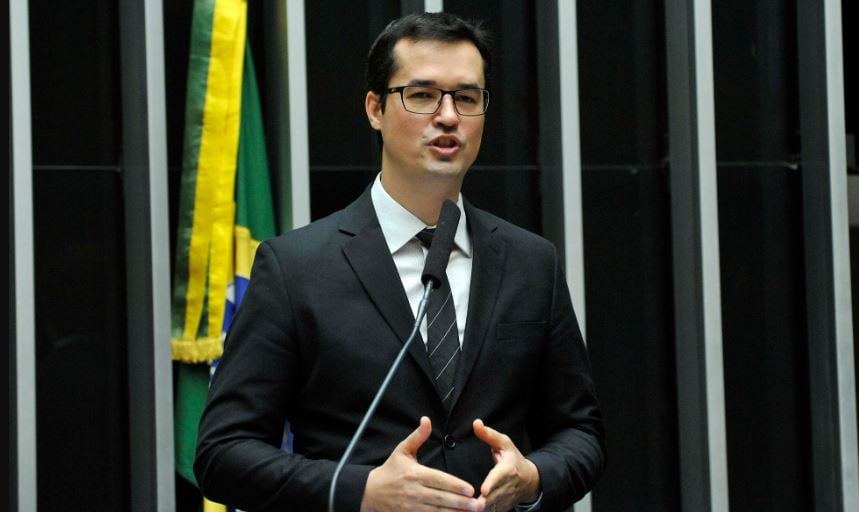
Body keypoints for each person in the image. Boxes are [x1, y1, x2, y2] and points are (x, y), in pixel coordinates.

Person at [195, 12, 605, 512]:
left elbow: (580, 432)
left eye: (467, 98)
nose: (449, 116)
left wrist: (534, 476)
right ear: (375, 108)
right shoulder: (296, 268)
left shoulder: (530, 262)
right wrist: (361, 492)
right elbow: (223, 454)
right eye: (423, 95)